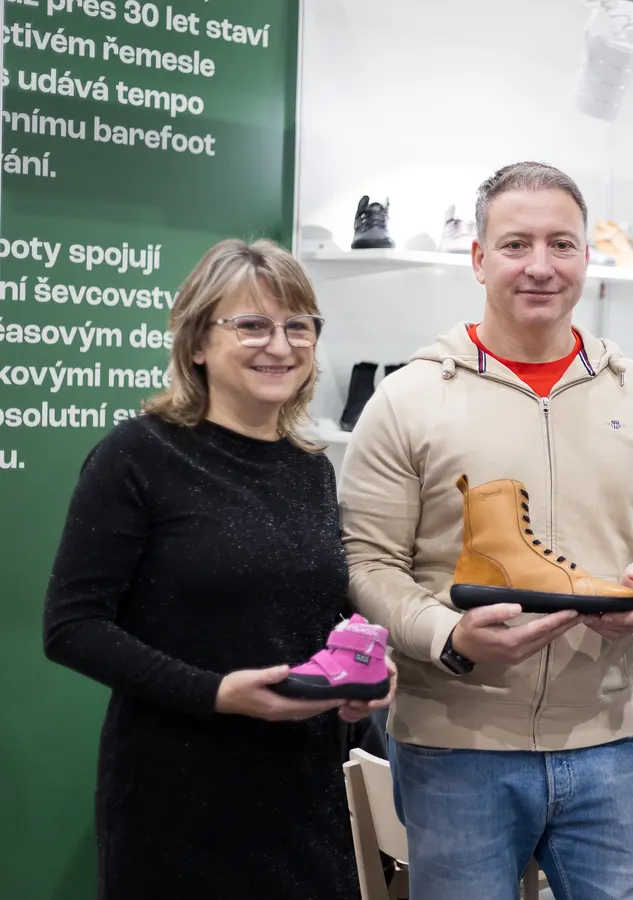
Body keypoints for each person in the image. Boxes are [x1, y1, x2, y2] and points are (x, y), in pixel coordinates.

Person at [339, 161, 633, 900]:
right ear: (479, 258)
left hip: (611, 738)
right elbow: (366, 561)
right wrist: (449, 637)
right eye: (516, 244)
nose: (541, 266)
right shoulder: (408, 398)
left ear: (586, 256)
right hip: (454, 745)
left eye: (561, 244)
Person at [43, 238, 392, 900]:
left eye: (298, 326)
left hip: (303, 794)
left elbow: (310, 613)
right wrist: (216, 692)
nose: (280, 346)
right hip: (176, 797)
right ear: (198, 341)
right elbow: (72, 627)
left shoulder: (310, 468)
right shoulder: (137, 455)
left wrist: (359, 674)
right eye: (252, 325)